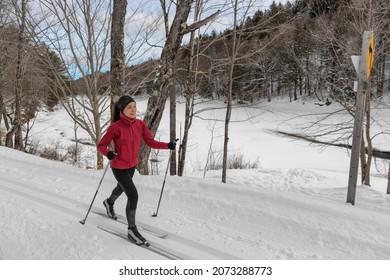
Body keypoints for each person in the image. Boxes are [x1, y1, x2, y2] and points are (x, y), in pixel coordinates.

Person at [97, 95, 176, 245]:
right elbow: (101, 145)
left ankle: (108, 203)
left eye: (134, 106)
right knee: (133, 195)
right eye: (129, 107)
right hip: (119, 166)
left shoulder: (140, 124)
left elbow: (150, 142)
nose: (133, 110)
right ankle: (132, 230)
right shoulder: (115, 127)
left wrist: (168, 145)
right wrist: (108, 153)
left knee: (121, 188)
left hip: (132, 165)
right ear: (122, 110)